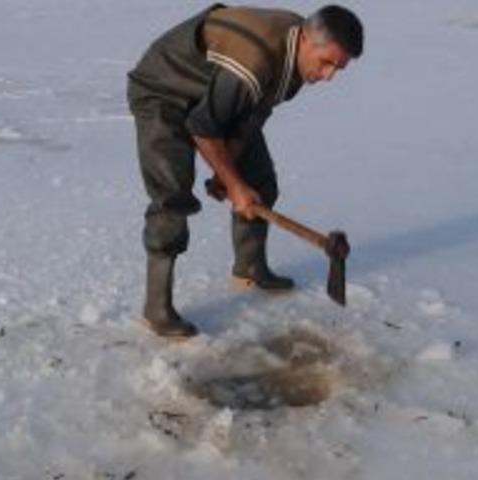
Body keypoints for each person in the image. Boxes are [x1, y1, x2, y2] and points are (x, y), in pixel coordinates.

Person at [127, 4, 364, 339]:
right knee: (172, 196)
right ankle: (156, 309)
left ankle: (250, 267)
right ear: (308, 40)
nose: (328, 77)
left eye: (338, 69)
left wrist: (230, 174)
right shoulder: (256, 59)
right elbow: (203, 126)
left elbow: (252, 115)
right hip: (165, 90)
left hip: (216, 94)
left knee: (260, 180)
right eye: (326, 63)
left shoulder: (294, 59)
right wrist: (234, 185)